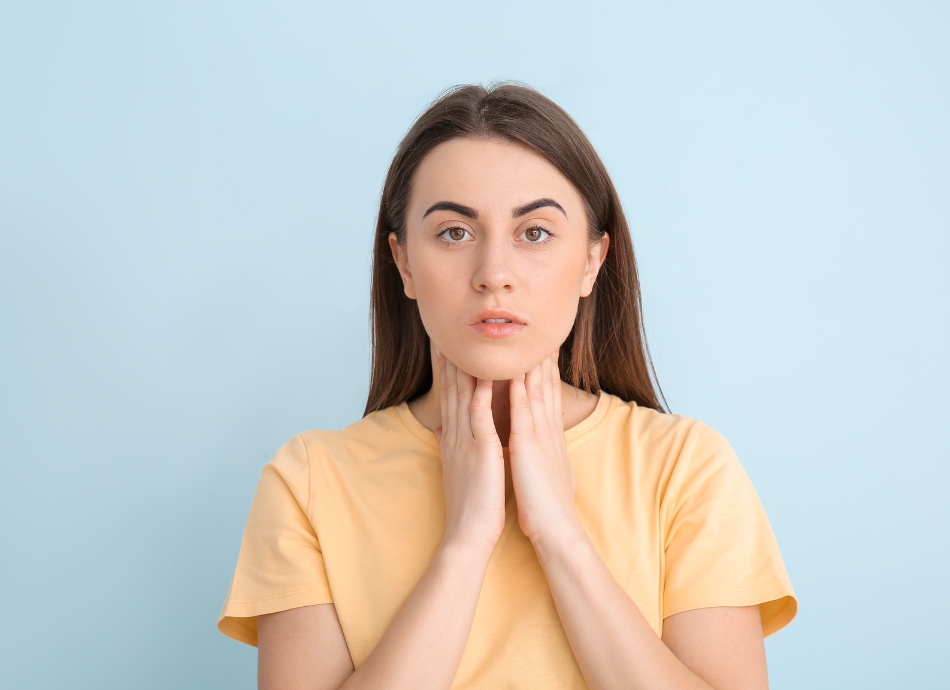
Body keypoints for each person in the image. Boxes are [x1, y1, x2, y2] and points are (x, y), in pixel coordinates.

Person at [217, 83, 797, 690]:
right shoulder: (308, 482)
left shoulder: (686, 468)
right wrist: (465, 545)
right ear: (404, 262)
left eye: (535, 233)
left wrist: (561, 536)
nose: (494, 275)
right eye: (454, 233)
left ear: (594, 261)